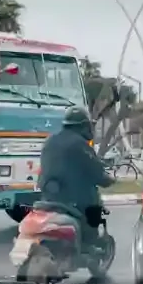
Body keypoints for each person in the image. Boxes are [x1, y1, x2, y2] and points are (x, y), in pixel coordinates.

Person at [36, 106, 114, 250]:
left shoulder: (50, 141)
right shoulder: (79, 144)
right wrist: (109, 179)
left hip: (48, 197)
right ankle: (89, 243)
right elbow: (96, 172)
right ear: (84, 126)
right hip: (72, 200)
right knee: (93, 205)